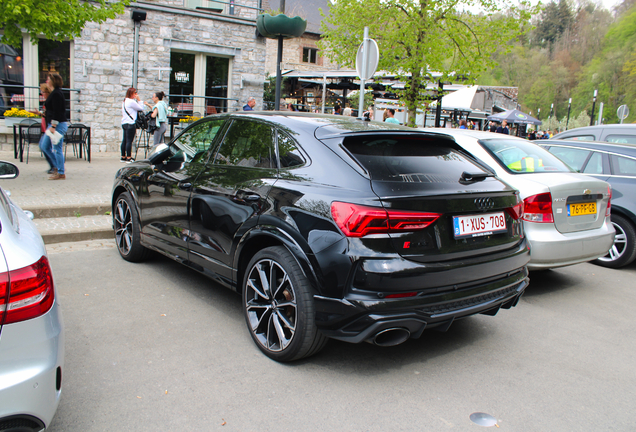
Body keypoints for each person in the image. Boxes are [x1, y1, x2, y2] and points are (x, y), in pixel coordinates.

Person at [39, 73, 69, 180]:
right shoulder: (55, 93)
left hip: (57, 125)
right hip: (53, 124)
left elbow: (57, 111)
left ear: (53, 81)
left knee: (56, 148)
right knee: (44, 146)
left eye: (48, 79)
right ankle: (58, 167)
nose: (47, 81)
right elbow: (52, 111)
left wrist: (53, 125)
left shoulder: (56, 94)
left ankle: (60, 171)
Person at [121, 87, 145, 163]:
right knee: (129, 141)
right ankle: (129, 157)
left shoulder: (124, 101)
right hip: (130, 123)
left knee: (124, 140)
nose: (136, 94)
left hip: (124, 122)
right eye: (135, 93)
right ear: (132, 94)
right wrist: (139, 100)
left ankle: (123, 156)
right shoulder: (131, 101)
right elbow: (141, 108)